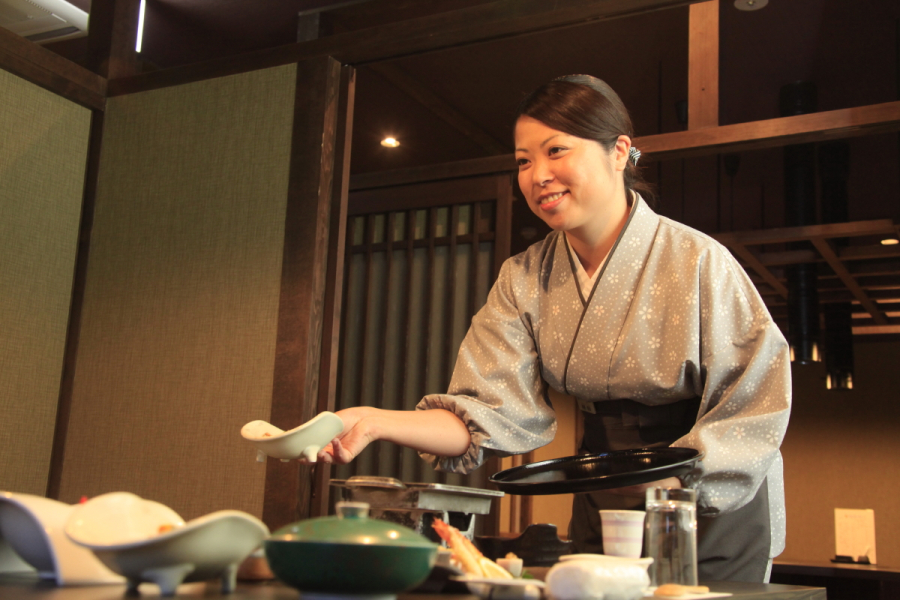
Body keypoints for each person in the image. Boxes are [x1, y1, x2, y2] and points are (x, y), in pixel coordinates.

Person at [315, 75, 791, 583]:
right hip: (604, 486)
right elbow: (485, 412)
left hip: (706, 498)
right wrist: (372, 421)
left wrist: (672, 478)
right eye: (523, 161)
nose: (538, 175)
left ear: (619, 152)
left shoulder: (698, 260)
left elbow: (756, 396)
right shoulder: (524, 277)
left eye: (556, 150)